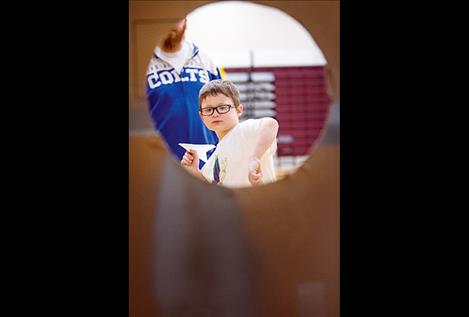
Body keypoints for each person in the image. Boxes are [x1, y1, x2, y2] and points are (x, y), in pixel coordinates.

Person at [146, 18, 222, 165]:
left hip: (207, 162)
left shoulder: (205, 60)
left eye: (175, 18)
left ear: (185, 21)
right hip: (159, 164)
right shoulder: (142, 64)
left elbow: (224, 108)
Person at [181, 80, 279, 187]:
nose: (215, 114)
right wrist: (195, 172)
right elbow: (213, 188)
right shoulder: (213, 159)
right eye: (208, 110)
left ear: (239, 110)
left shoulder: (242, 131)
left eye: (222, 108)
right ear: (202, 116)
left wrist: (255, 158)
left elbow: (271, 124)